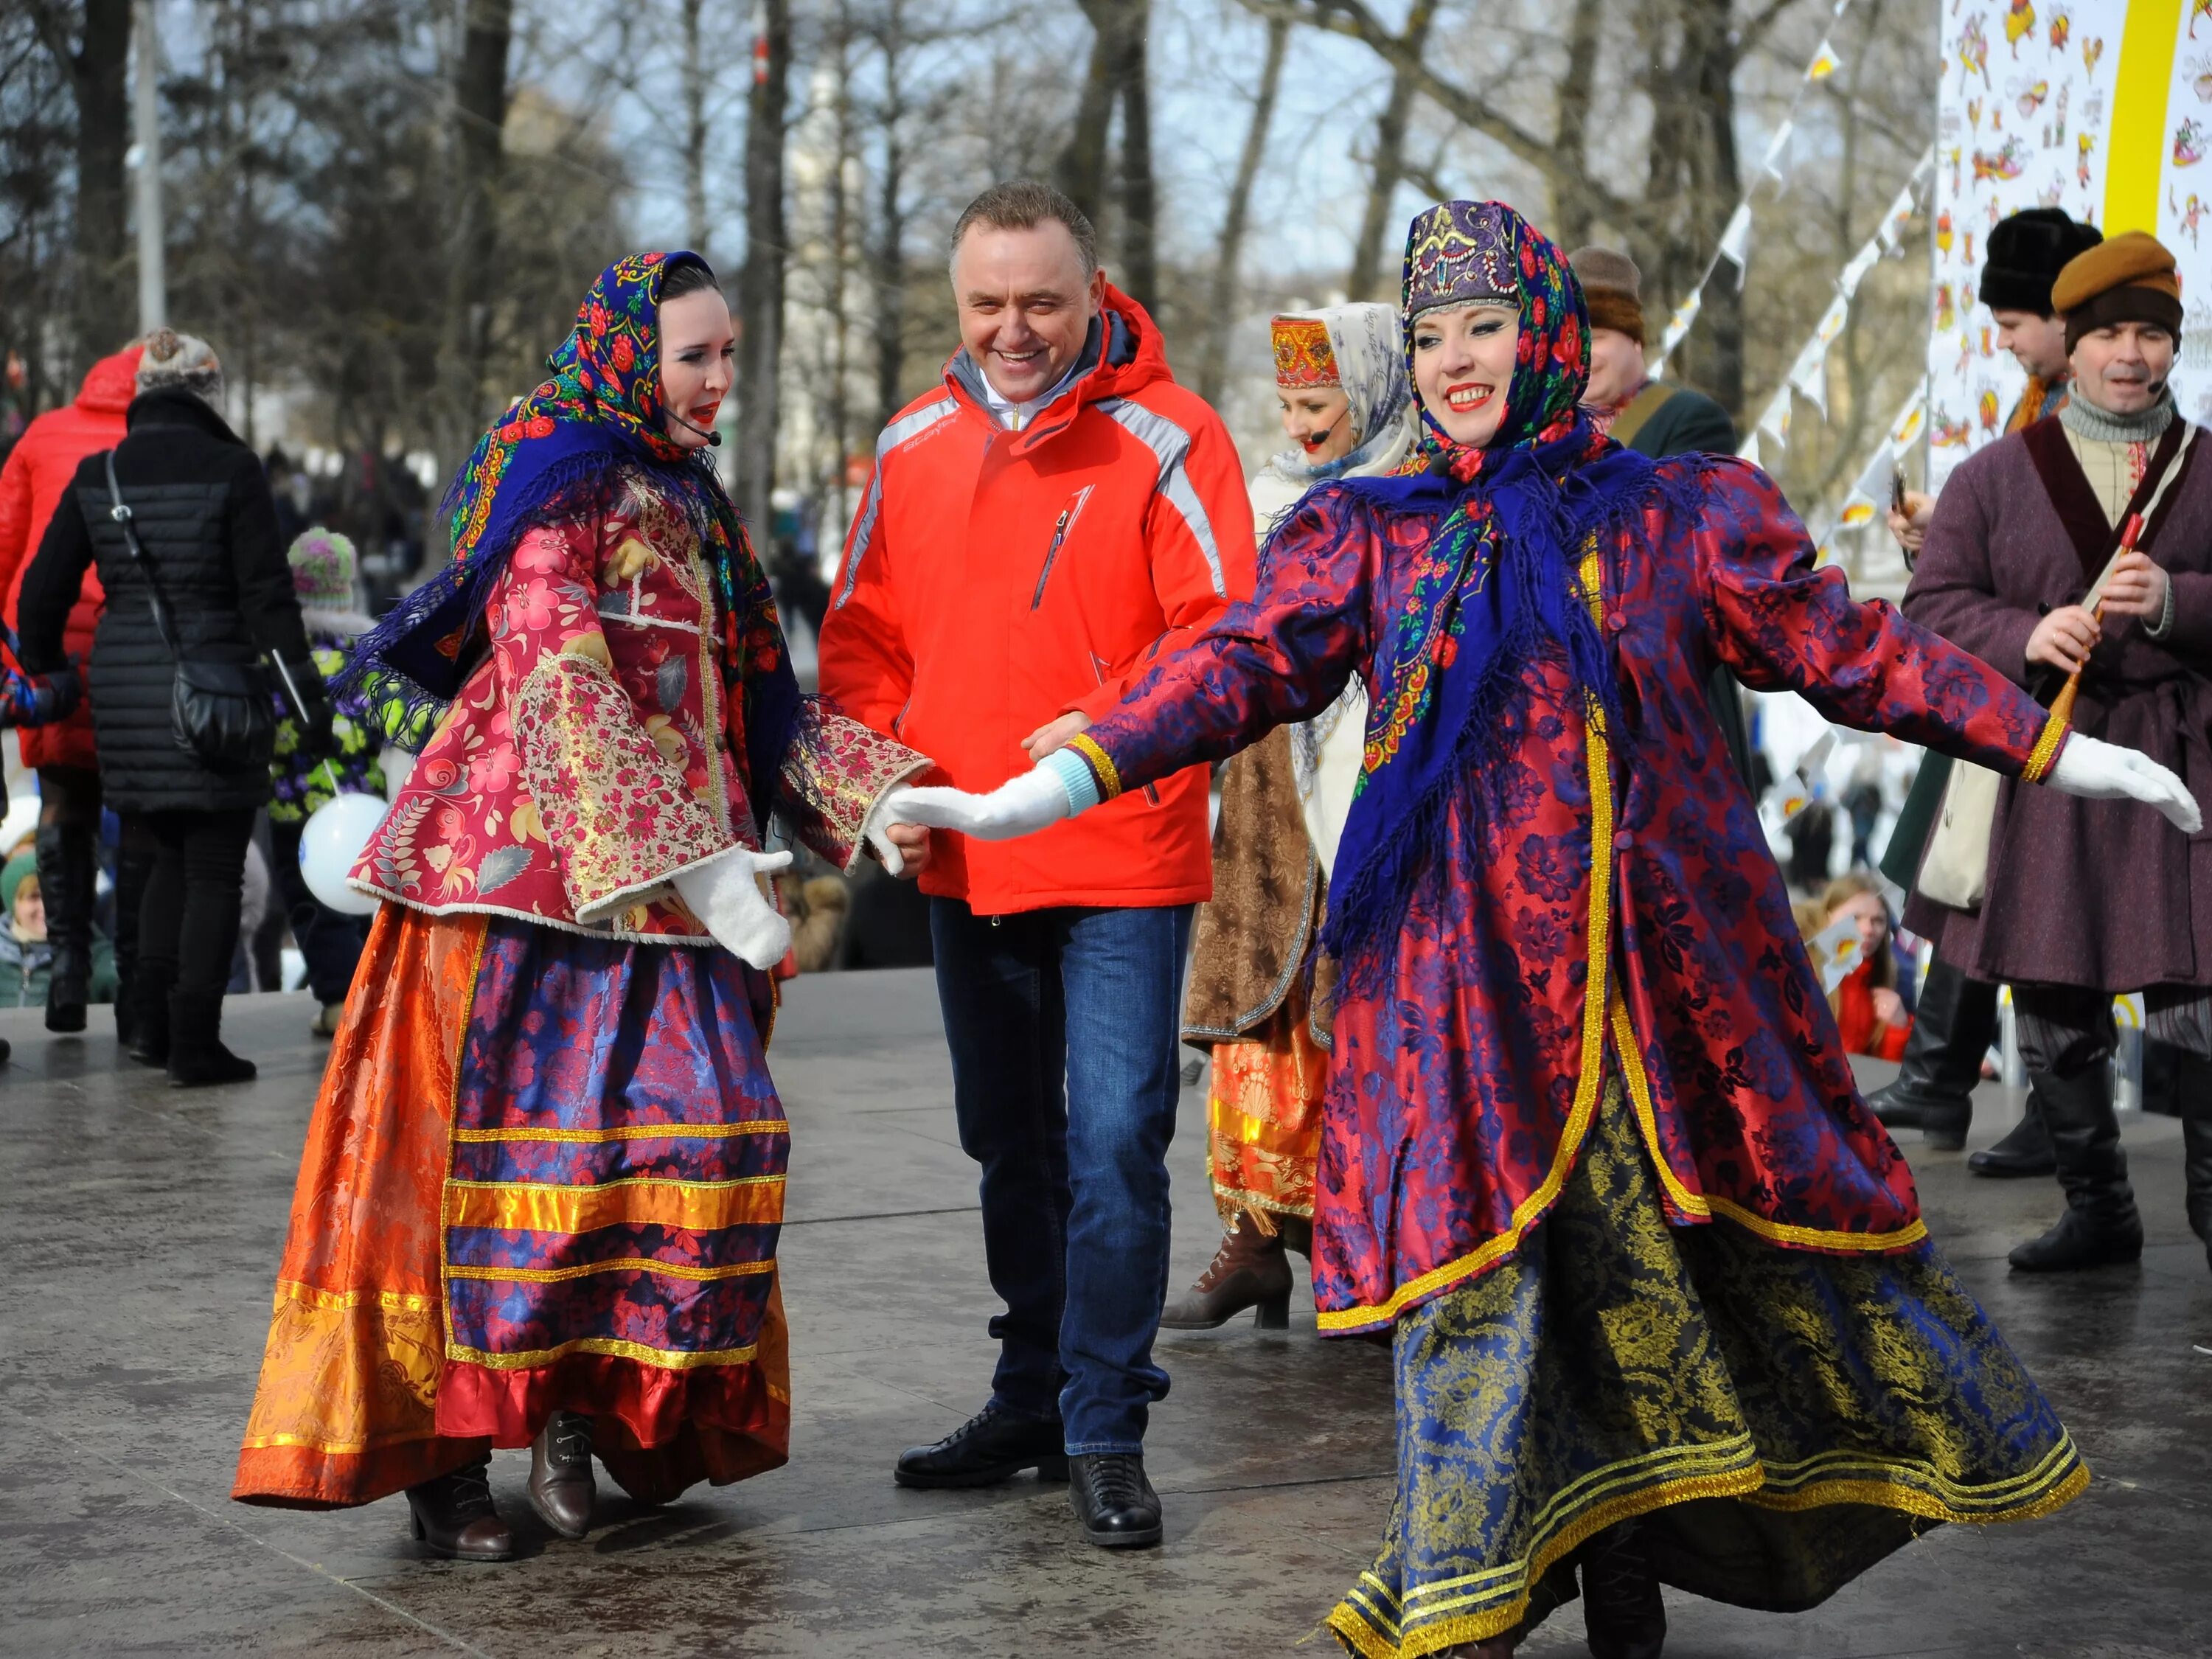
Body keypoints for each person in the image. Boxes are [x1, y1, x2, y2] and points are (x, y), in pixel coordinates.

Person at [893, 201, 2199, 1658]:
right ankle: (1459, 1590)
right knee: (1479, 1294)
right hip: (1450, 1009)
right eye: (1434, 331)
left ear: (1549, 338)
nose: (1458, 360)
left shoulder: (1673, 517)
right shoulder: (1368, 536)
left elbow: (1856, 653)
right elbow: (1233, 666)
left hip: (1649, 1006)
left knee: (1641, 1285)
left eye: (1488, 326)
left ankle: (1622, 1551)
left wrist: (2055, 747)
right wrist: (1049, 784)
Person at [229, 251, 931, 1562]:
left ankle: (575, 1403)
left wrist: (883, 799)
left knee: (700, 1141)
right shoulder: (547, 465)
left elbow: (760, 693)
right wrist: (697, 863)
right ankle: (440, 1459)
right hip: (517, 891)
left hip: (676, 896)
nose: (720, 380)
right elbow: (554, 663)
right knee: (464, 1169)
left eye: (730, 354)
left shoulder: (692, 495)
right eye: (697, 357)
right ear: (629, 353)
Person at [816, 179, 1254, 1550]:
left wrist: (1108, 727)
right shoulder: (912, 443)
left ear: (1093, 289)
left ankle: (1106, 1424)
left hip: (1122, 841)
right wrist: (879, 780)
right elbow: (862, 647)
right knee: (1007, 1140)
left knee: (1118, 1140)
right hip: (964, 853)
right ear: (958, 301)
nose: (1013, 328)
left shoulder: (1173, 437)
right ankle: (1031, 1391)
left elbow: (1224, 639)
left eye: (1042, 302)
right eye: (987, 303)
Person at [1904, 229, 2212, 1278]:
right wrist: (2026, 634)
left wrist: (2177, 601)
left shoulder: (2209, 465)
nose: (2132, 355)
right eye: (2111, 334)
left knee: (2199, 987)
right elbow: (1932, 607)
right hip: (2055, 757)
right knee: (2053, 986)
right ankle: (2098, 1205)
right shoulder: (1996, 475)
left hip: (2186, 764)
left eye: (2152, 335)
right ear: (2071, 346)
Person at [1164, 303, 1411, 1331]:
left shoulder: (1413, 495)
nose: (1304, 426)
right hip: (1270, 801)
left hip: (1367, 788)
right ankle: (1259, 1243)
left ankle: (1372, 1252)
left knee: (1362, 1017)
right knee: (1265, 1016)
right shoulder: (1265, 496)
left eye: (1323, 406)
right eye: (1293, 406)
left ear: (1374, 396)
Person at [18, 330, 333, 1086]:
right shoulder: (233, 469)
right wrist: (308, 703)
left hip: (123, 697)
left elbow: (39, 597)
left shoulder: (101, 474)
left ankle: (151, 1026)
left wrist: (51, 673)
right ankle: (196, 1041)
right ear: (206, 392)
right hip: (216, 689)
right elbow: (268, 599)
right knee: (215, 870)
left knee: (156, 859)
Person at [1872, 206, 2101, 1169]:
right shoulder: (2038, 407)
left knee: (2046, 898)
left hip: (2073, 686)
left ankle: (2033, 1104)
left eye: (2012, 320)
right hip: (2016, 672)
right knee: (1975, 873)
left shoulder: (2080, 415)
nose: (2001, 341)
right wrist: (1946, 544)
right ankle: (1948, 1077)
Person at [0, 340, 142, 1037]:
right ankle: (140, 980)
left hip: (46, 638)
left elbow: (5, 538)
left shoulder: (42, 433)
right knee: (142, 808)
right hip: (134, 645)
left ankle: (65, 968)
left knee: (61, 802)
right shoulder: (157, 439)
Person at [1572, 245, 1753, 787]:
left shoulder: (1688, 420)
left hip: (1671, 690)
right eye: (1569, 340)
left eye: (1597, 336)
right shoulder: (1539, 437)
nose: (1582, 354)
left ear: (1634, 338)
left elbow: (1677, 550)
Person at [265, 526, 383, 1034]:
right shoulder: (367, 657)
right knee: (362, 901)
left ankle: (338, 1001)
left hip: (297, 809)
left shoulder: (283, 663)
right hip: (364, 804)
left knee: (313, 904)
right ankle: (370, 994)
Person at [0, 849, 118, 1010]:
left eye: (55, 895)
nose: (46, 907)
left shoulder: (93, 955)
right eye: (34, 897)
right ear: (12, 904)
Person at [1820, 872, 1915, 1061]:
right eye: (1855, 917)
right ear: (1828, 917)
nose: (1868, 929)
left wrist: (1897, 1029)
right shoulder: (1802, 975)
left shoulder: (1887, 981)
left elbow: (1883, 1076)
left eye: (1878, 920)